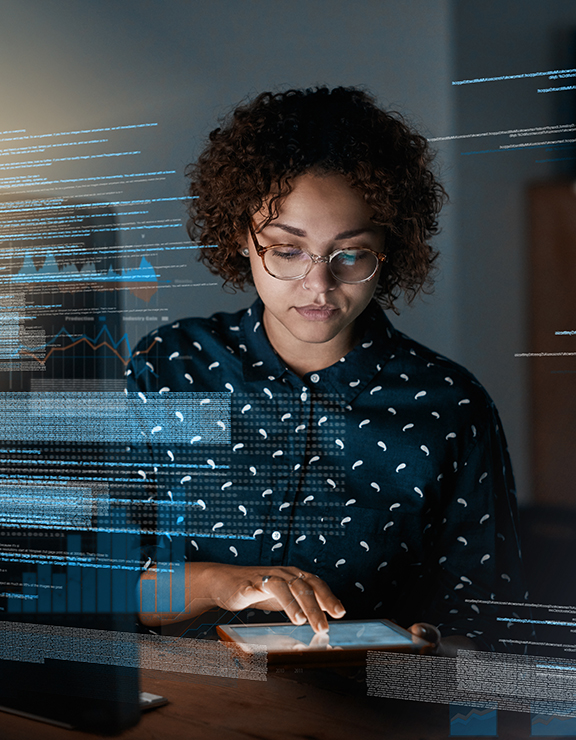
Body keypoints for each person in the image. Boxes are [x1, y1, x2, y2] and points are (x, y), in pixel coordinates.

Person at [127, 87, 527, 656]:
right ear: (243, 238)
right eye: (287, 251)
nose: (318, 286)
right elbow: (103, 583)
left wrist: (444, 648)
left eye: (351, 254)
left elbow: (489, 614)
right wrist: (224, 582)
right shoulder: (169, 367)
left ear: (389, 247)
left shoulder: (451, 406)